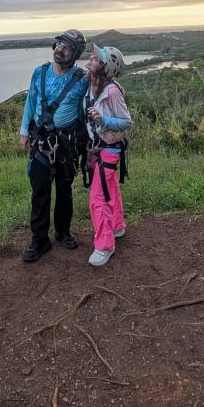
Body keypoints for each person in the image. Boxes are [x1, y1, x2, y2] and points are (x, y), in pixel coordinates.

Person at [19, 29, 89, 262]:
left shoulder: (81, 79)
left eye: (66, 47)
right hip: (42, 139)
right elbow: (30, 101)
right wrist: (23, 132)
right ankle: (39, 240)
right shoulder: (39, 73)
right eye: (58, 44)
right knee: (40, 191)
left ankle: (62, 231)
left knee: (64, 189)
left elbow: (89, 106)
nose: (60, 49)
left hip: (68, 143)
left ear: (75, 53)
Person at [83, 44, 131, 266]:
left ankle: (104, 245)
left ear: (105, 67)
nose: (91, 59)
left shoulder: (111, 91)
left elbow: (126, 121)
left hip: (108, 149)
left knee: (98, 198)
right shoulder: (96, 86)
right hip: (97, 148)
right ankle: (117, 226)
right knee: (110, 189)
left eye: (95, 58)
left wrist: (103, 121)